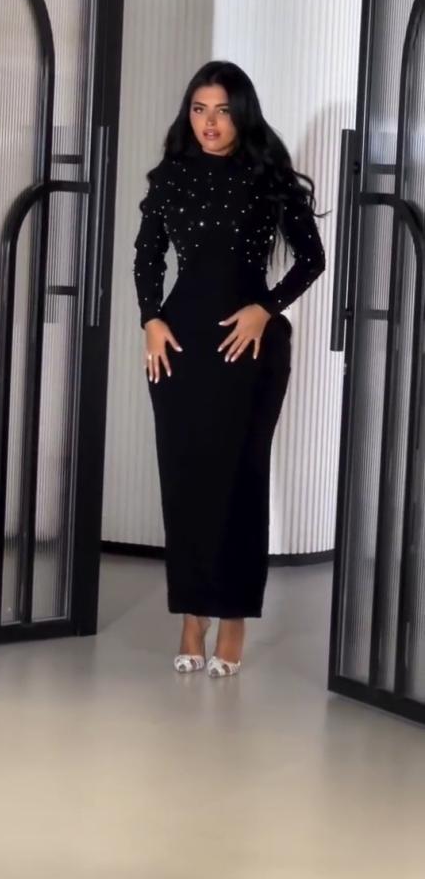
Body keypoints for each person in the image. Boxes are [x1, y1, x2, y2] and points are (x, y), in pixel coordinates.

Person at [133, 60, 326, 677]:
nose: (209, 123)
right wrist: (151, 318)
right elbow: (147, 255)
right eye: (199, 109)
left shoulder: (267, 176)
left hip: (249, 349)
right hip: (179, 347)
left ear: (241, 114)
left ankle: (234, 617)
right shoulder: (172, 176)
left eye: (221, 110)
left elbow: (312, 258)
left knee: (240, 479)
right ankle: (192, 616)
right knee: (184, 478)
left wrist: (265, 310)